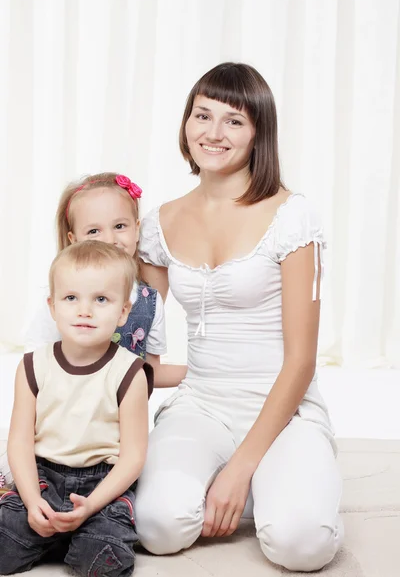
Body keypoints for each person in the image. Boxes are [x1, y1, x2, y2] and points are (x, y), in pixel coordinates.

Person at [135, 62, 343, 572]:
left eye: (233, 120)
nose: (213, 132)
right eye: (202, 115)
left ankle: (273, 479)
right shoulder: (158, 224)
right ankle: (243, 482)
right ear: (185, 124)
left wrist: (240, 469)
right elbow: (140, 356)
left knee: (302, 545)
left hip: (283, 408)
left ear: (258, 134)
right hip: (200, 406)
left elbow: (302, 361)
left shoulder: (292, 216)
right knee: (158, 528)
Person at [0, 241, 152, 576]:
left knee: (103, 558)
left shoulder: (130, 372)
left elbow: (133, 457)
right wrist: (30, 500)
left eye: (101, 299)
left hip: (102, 486)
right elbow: (20, 443)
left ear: (123, 311)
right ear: (52, 307)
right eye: (71, 298)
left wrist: (92, 505)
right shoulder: (32, 365)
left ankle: (79, 538)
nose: (85, 310)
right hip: (42, 479)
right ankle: (48, 536)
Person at [24, 172, 185, 388]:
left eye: (120, 226)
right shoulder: (61, 296)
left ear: (137, 229)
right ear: (74, 240)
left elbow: (150, 371)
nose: (109, 240)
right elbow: (34, 363)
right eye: (93, 231)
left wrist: (207, 374)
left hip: (119, 416)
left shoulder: (150, 303)